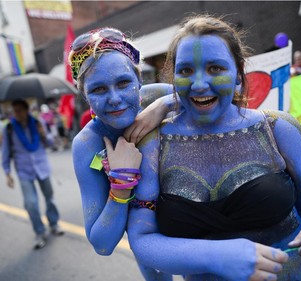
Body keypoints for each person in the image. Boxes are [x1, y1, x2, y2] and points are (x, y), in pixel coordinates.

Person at [125, 15, 301, 281]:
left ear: (238, 74)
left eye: (215, 68)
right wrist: (215, 256)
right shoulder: (154, 144)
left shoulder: (277, 127)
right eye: (186, 71)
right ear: (173, 76)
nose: (200, 84)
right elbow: (143, 239)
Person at [69, 27, 174, 280]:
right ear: (85, 96)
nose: (115, 99)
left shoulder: (159, 96)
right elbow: (101, 244)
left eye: (124, 83)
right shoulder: (87, 145)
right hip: (147, 240)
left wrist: (164, 105)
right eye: (99, 90)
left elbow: (219, 96)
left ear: (140, 81)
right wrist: (121, 183)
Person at [1, 99, 64, 250]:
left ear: (26, 110)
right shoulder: (9, 128)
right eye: (14, 111)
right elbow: (6, 152)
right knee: (31, 203)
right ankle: (39, 232)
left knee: (50, 198)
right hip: (24, 170)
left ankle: (54, 224)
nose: (16, 114)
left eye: (19, 110)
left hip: (42, 167)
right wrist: (7, 173)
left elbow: (50, 143)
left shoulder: (38, 122)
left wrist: (43, 134)